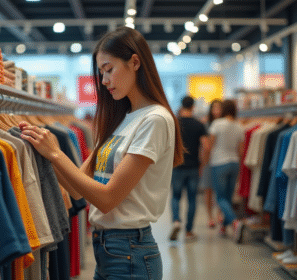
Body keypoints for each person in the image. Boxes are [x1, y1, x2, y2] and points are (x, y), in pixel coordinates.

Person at [19, 26, 184, 280]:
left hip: (130, 252)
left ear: (135, 62)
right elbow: (77, 189)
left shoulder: (155, 119)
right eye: (101, 73)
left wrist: (55, 154)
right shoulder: (121, 119)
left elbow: (107, 199)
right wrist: (41, 152)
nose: (104, 80)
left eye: (109, 69)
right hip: (108, 250)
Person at [169, 96, 208, 242]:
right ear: (193, 107)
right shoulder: (199, 124)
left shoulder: (175, 123)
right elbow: (206, 146)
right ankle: (189, 231)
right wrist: (202, 164)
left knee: (175, 196)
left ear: (181, 105)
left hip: (177, 166)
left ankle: (176, 222)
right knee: (192, 199)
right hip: (193, 167)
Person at [208, 99, 245, 242]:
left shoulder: (217, 124)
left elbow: (211, 144)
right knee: (228, 198)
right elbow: (241, 150)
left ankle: (235, 223)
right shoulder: (239, 126)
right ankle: (223, 227)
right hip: (234, 163)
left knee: (220, 198)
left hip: (219, 163)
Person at [200, 99, 223, 228]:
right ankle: (210, 217)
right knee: (208, 190)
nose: (216, 110)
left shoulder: (226, 123)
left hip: (220, 160)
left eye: (219, 107)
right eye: (214, 107)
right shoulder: (205, 124)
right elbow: (204, 146)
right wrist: (203, 163)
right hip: (208, 161)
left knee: (220, 190)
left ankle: (219, 214)